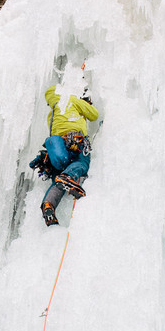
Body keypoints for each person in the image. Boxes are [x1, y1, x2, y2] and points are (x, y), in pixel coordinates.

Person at [30, 82, 99, 226]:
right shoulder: (72, 100)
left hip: (57, 151)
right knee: (82, 164)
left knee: (58, 182)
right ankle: (68, 177)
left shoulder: (52, 114)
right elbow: (94, 115)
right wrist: (85, 103)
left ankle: (48, 205)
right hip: (74, 142)